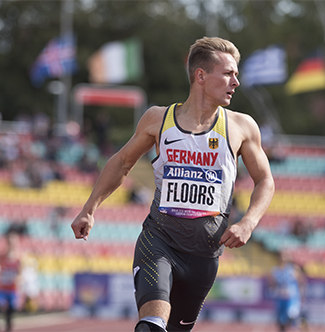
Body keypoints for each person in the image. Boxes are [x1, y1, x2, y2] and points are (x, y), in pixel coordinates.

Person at [71, 36, 275, 332]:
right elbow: (121, 162)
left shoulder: (241, 126)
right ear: (201, 76)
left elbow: (265, 180)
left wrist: (249, 223)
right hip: (159, 241)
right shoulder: (158, 119)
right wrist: (89, 209)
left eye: (237, 74)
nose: (236, 82)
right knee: (151, 327)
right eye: (229, 73)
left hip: (204, 254)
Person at [269, 253, 307, 332]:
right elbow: (272, 284)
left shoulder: (293, 269)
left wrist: (302, 295)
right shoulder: (276, 270)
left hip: (292, 298)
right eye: (281, 258)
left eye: (285, 258)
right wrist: (273, 288)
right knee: (281, 320)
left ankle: (305, 328)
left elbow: (302, 282)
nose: (283, 260)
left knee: (293, 317)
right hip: (281, 299)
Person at [0, 231, 21, 332]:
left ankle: (8, 328)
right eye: (10, 241)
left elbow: (20, 273)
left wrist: (18, 278)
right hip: (2, 289)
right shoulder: (2, 256)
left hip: (12, 289)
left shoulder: (18, 258)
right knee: (1, 306)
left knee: (11, 310)